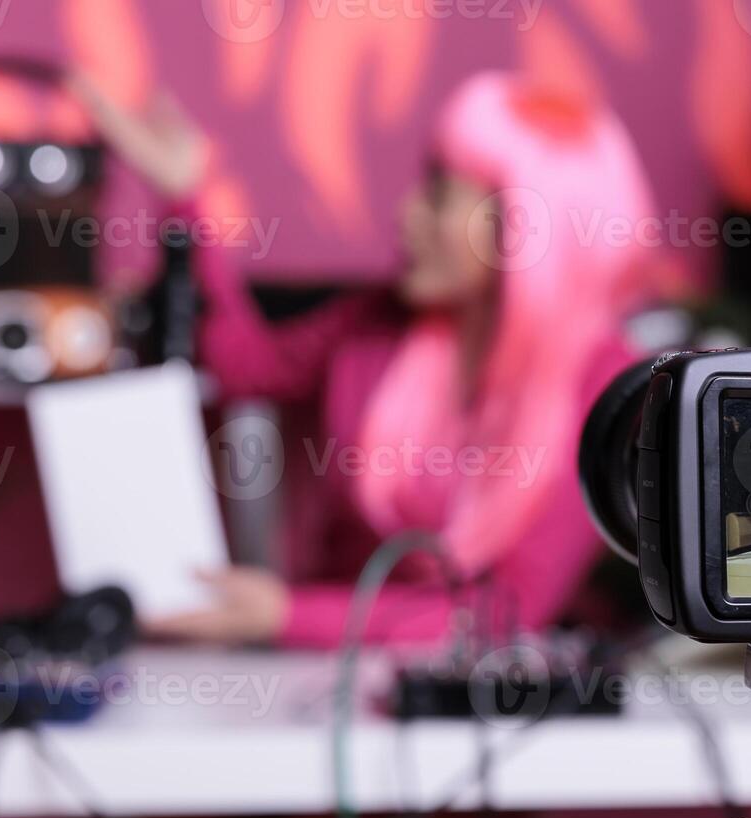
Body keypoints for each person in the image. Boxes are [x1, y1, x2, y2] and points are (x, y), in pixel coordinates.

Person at [73, 72, 659, 650]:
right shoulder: (379, 322)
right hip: (314, 677)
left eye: (437, 192)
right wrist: (185, 197)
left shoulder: (607, 388)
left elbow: (507, 611)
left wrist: (286, 615)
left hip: (449, 699)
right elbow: (243, 366)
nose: (407, 214)